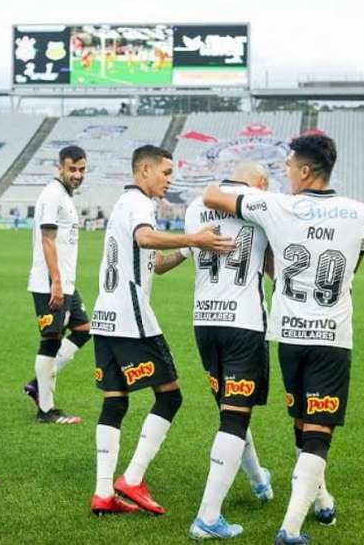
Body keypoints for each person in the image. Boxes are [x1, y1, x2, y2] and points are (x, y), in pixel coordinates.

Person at [204, 133, 364, 544]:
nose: (286, 174)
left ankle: (322, 498)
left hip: (289, 336)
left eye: (290, 167)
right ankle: (289, 530)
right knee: (317, 431)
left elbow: (213, 195)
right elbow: (355, 266)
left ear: (306, 171)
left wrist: (251, 188)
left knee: (303, 425)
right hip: (332, 335)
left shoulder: (277, 206)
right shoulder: (357, 212)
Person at [89, 145, 235, 515]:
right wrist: (195, 239)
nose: (170, 179)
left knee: (116, 400)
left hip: (106, 315)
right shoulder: (140, 204)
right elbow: (145, 239)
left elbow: (154, 264)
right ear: (144, 171)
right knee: (170, 397)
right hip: (130, 316)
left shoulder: (124, 203)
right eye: (165, 172)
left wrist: (188, 253)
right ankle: (133, 478)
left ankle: (103, 492)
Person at [155, 162, 276, 539]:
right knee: (235, 418)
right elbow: (275, 266)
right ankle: (208, 517)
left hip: (205, 322)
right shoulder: (260, 203)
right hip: (244, 322)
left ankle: (258, 480)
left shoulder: (195, 206)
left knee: (230, 410)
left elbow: (182, 255)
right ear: (257, 183)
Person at [23, 145, 90, 424]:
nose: (76, 174)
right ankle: (46, 410)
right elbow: (47, 239)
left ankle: (38, 384)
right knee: (51, 341)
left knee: (84, 330)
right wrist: (57, 283)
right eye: (71, 169)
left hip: (65, 282)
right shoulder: (52, 195)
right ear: (60, 167)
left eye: (81, 169)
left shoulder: (64, 195)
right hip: (51, 283)